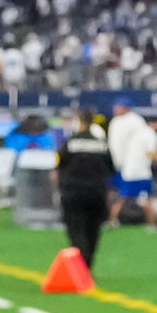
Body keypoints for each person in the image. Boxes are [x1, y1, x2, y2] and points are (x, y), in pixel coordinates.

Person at [54, 110, 114, 274]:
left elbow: (59, 164)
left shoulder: (70, 143)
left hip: (73, 192)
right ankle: (88, 264)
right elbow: (111, 168)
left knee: (76, 229)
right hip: (97, 193)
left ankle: (81, 263)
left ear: (80, 122)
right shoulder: (101, 144)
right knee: (93, 230)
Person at [106, 96, 157, 230]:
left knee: (128, 195)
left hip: (131, 164)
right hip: (121, 164)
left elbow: (140, 145)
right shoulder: (115, 121)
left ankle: (147, 222)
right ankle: (112, 219)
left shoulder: (135, 121)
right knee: (120, 193)